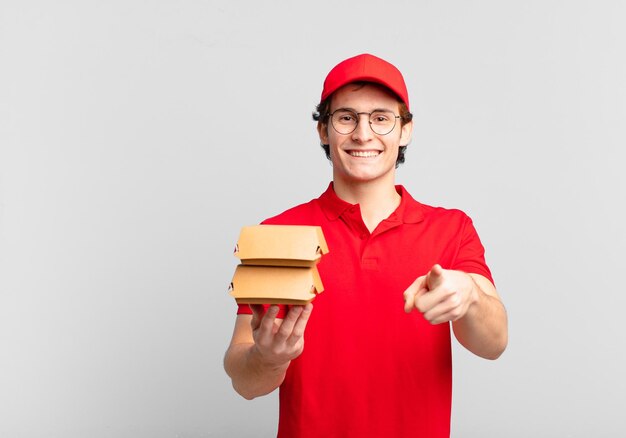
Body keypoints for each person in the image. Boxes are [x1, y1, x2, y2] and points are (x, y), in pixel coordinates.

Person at [224, 53, 508, 438]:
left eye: (381, 118)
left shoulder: (452, 229)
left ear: (405, 130)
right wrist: (268, 359)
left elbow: (494, 344)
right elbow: (243, 378)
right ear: (323, 130)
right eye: (346, 118)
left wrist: (470, 296)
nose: (363, 134)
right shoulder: (278, 232)